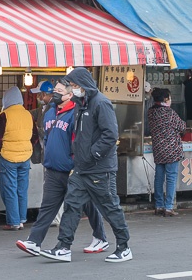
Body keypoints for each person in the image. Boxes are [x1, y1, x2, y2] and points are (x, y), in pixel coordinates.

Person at [40, 67, 132, 264]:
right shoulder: (81, 103)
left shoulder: (101, 103)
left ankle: (124, 247)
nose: (73, 89)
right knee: (71, 205)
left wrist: (92, 154)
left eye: (74, 85)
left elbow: (110, 135)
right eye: (71, 86)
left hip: (100, 168)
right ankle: (63, 247)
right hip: (83, 168)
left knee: (110, 208)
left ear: (83, 84)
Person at [16, 81, 108, 257]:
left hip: (72, 169)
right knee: (48, 206)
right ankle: (34, 241)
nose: (55, 94)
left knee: (86, 204)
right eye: (55, 91)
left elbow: (81, 141)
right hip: (52, 168)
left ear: (69, 95)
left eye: (59, 91)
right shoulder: (50, 112)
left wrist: (78, 162)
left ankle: (100, 237)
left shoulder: (77, 113)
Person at [0, 86, 39, 230]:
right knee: (22, 189)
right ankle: (22, 218)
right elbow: (35, 136)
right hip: (25, 157)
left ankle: (13, 222)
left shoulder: (4, 115)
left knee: (10, 189)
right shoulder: (28, 115)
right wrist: (27, 146)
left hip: (8, 157)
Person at [148, 87, 185, 216]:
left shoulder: (151, 112)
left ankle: (158, 205)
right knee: (171, 178)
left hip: (158, 149)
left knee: (158, 177)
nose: (171, 100)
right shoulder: (169, 113)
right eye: (169, 97)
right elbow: (182, 126)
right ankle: (168, 207)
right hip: (171, 149)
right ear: (165, 99)